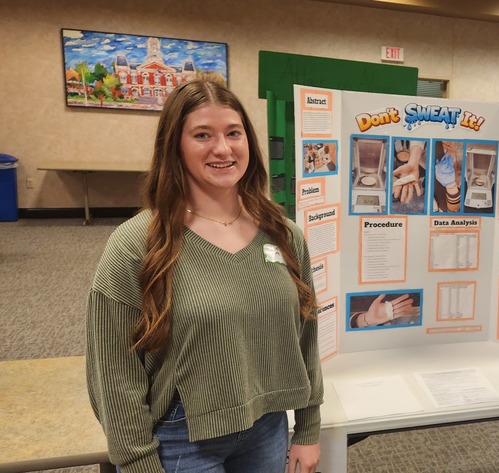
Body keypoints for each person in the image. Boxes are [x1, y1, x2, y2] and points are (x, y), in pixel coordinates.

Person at [86, 79, 323, 473]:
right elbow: (113, 373)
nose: (223, 148)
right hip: (182, 437)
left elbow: (305, 337)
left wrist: (308, 429)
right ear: (174, 147)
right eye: (202, 135)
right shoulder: (135, 245)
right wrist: (137, 463)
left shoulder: (283, 233)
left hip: (268, 423)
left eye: (234, 133)